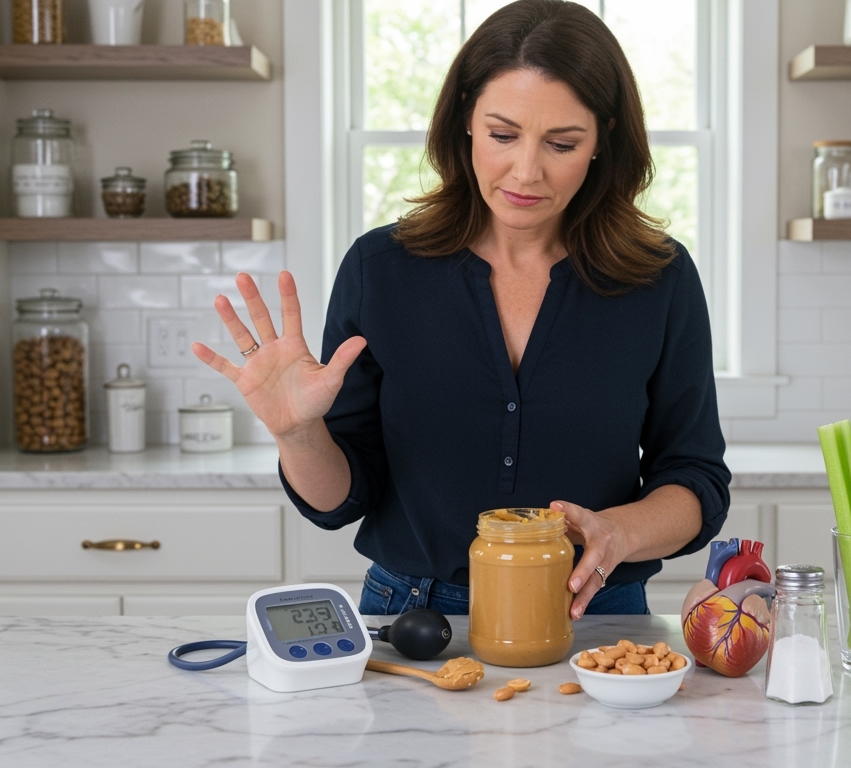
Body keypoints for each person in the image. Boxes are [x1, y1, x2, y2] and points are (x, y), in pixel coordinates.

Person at [192, 0, 729, 620]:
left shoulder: (659, 278)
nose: (526, 171)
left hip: (594, 615)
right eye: (503, 135)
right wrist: (298, 434)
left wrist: (620, 533)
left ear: (604, 140)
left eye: (562, 142)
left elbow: (695, 479)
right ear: (466, 120)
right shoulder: (381, 268)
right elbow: (340, 501)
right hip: (413, 615)